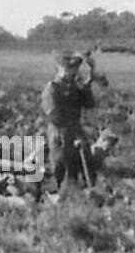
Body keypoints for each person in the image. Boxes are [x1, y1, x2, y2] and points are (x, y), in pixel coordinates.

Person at [40, 51, 103, 190]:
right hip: (60, 133)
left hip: (76, 130)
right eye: (68, 69)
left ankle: (82, 191)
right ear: (59, 69)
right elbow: (53, 113)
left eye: (74, 69)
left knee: (83, 165)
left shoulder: (76, 87)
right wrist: (69, 131)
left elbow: (89, 104)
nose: (72, 73)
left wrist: (88, 84)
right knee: (61, 165)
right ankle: (59, 193)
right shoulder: (52, 88)